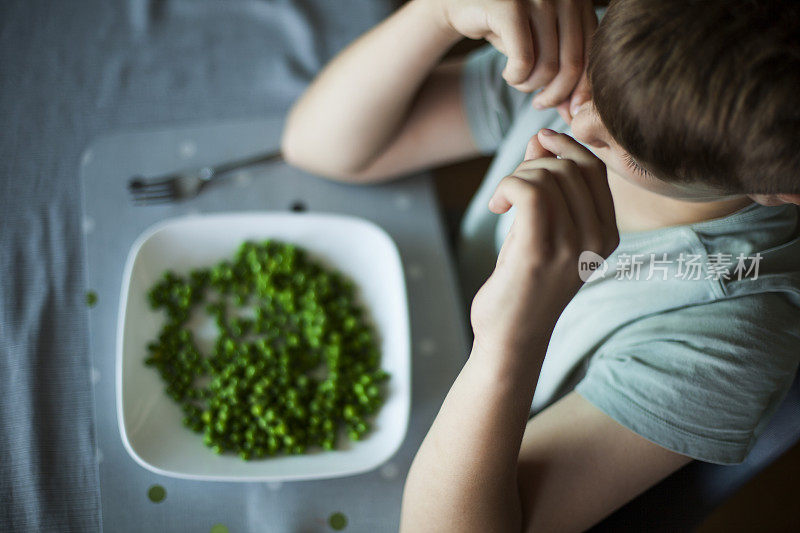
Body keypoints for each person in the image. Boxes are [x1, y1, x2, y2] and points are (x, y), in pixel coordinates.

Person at [282, 0, 800, 530]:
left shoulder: (734, 336)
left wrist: (509, 339)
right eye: (596, 78)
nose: (576, 114)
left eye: (633, 153)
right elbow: (320, 146)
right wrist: (436, 14)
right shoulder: (617, 68)